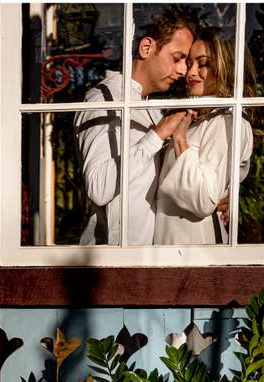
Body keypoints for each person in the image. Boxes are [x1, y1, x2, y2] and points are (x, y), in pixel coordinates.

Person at [76, 8, 197, 246]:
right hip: (109, 261)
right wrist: (159, 133)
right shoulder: (105, 99)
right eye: (177, 58)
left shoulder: (150, 108)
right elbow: (99, 188)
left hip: (146, 260)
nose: (183, 70)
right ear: (146, 48)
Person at [153, 27, 258, 246]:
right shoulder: (199, 117)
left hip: (194, 243)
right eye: (190, 63)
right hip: (167, 239)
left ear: (226, 67)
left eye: (203, 64)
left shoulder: (229, 121)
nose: (190, 72)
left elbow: (203, 200)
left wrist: (180, 139)